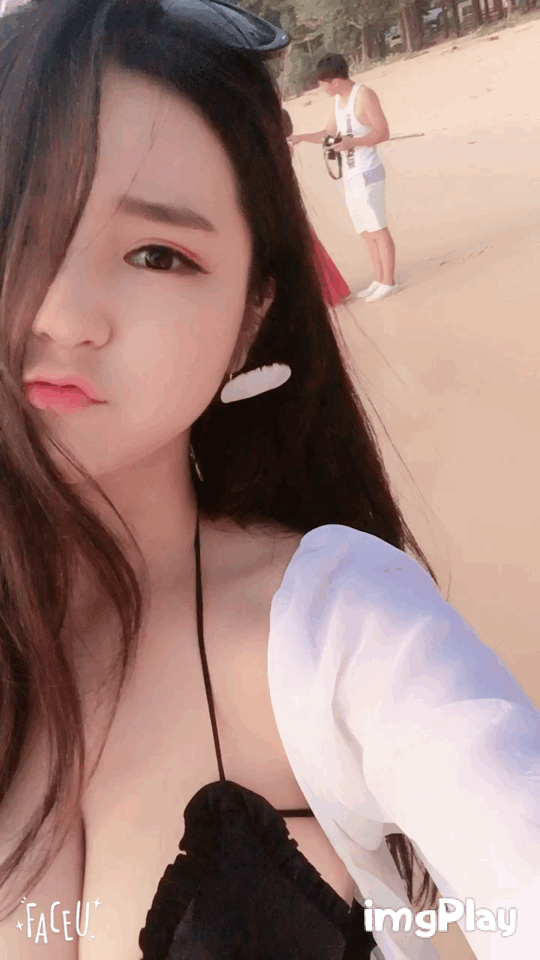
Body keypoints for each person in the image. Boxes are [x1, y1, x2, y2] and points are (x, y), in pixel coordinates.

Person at [0, 2, 538, 960]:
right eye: (14, 228)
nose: (63, 314)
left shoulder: (343, 629)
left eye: (157, 254)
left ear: (249, 318)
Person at [289, 54, 398, 303]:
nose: (322, 89)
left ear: (334, 82)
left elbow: (383, 132)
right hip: (350, 174)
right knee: (365, 230)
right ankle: (378, 279)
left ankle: (389, 281)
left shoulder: (364, 95)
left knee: (377, 227)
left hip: (368, 171)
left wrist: (352, 143)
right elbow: (328, 132)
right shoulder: (339, 100)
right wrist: (301, 138)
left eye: (322, 84)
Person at [282, 109, 351, 307]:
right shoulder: (284, 147)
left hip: (287, 203)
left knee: (305, 248)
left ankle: (321, 294)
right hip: (290, 201)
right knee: (309, 246)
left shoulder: (281, 148)